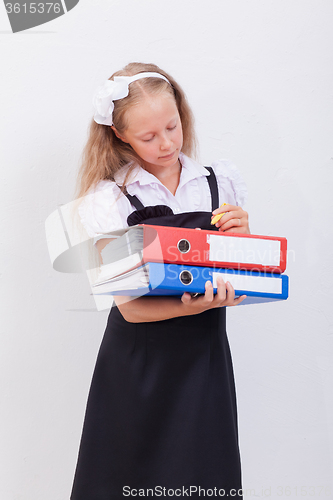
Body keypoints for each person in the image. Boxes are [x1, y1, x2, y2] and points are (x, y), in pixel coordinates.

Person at [70, 62, 250, 499]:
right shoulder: (107, 199)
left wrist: (243, 247)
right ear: (120, 135)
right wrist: (194, 305)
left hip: (203, 359)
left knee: (204, 477)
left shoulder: (217, 184)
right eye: (149, 137)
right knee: (128, 476)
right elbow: (129, 307)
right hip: (137, 363)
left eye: (172, 127)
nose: (166, 143)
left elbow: (242, 287)